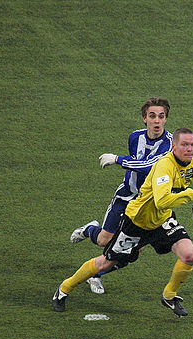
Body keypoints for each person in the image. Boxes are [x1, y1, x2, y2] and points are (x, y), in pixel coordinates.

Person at [53, 128, 193, 316]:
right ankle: (64, 289)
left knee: (189, 255)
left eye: (192, 144)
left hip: (162, 221)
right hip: (137, 222)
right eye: (184, 145)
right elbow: (162, 201)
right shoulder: (164, 166)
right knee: (106, 264)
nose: (189, 149)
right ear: (173, 146)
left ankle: (169, 296)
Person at [70, 97, 173, 294]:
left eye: (161, 116)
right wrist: (125, 161)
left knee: (132, 250)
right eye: (152, 116)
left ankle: (95, 275)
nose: (157, 121)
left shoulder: (169, 144)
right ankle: (90, 229)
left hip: (148, 205)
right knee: (103, 240)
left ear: (166, 119)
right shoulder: (135, 137)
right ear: (145, 119)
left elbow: (149, 167)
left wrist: (118, 159)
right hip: (127, 195)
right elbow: (137, 162)